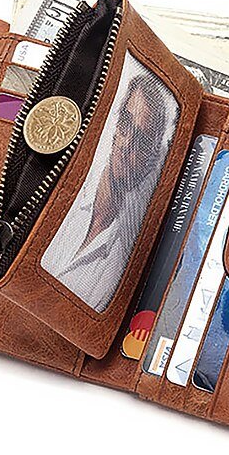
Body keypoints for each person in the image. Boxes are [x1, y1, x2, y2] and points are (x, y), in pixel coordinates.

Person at [41, 55, 179, 312]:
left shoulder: (120, 266)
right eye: (125, 124)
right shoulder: (63, 195)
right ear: (115, 126)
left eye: (142, 142)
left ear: (151, 163)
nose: (127, 145)